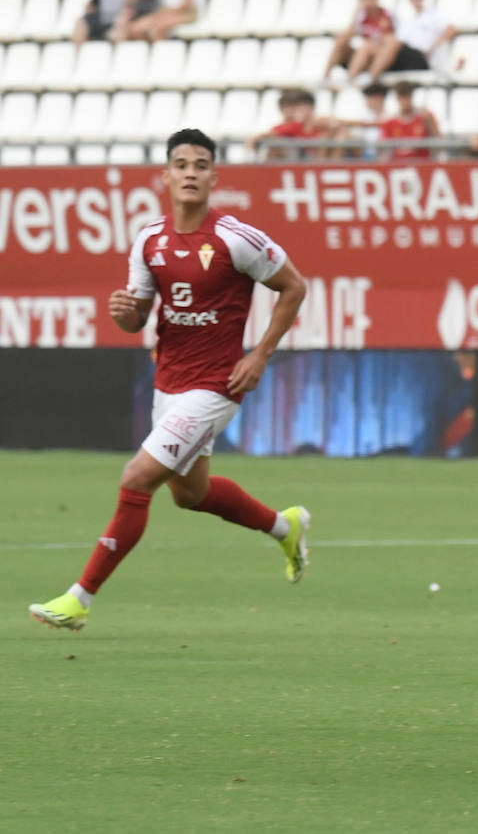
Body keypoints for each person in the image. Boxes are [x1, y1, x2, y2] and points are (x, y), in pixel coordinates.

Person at [28, 129, 312, 632]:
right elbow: (136, 319)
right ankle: (284, 527)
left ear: (213, 178)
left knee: (137, 479)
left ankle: (80, 598)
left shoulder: (234, 238)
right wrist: (125, 313)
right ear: (165, 175)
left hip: (215, 385)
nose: (190, 173)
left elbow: (294, 286)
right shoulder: (150, 240)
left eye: (200, 165)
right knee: (190, 494)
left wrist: (261, 355)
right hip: (170, 382)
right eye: (180, 164)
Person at [324, 0, 413, 84]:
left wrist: (373, 45)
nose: (369, 1)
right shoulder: (361, 16)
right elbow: (346, 39)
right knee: (343, 43)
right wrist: (356, 14)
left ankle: (366, 80)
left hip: (385, 57)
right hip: (365, 57)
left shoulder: (387, 15)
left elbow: (396, 40)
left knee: (368, 47)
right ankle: (326, 79)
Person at [396, 0, 458, 72]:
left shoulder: (434, 15)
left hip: (425, 60)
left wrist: (432, 48)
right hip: (410, 60)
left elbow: (452, 30)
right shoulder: (407, 22)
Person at [380, 80, 440, 160]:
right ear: (397, 99)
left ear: (411, 97)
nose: (404, 102)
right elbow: (385, 151)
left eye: (407, 97)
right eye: (401, 98)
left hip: (422, 164)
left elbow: (438, 142)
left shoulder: (425, 117)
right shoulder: (389, 121)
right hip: (397, 166)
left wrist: (429, 121)